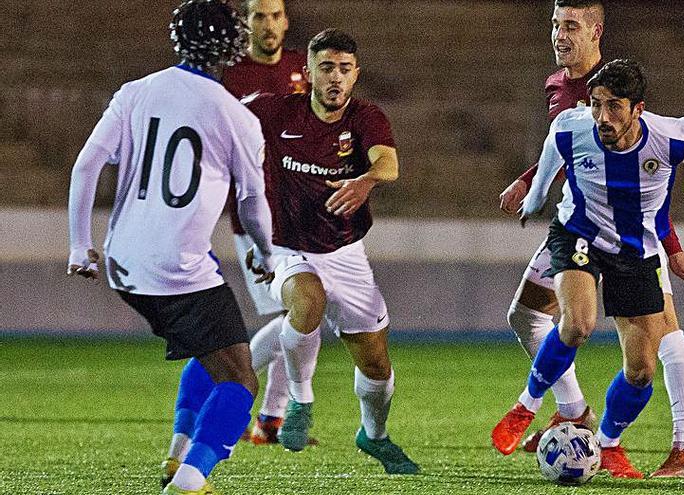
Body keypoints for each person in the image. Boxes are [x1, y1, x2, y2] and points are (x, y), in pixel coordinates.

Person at [66, 1, 276, 493]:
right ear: (232, 45)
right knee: (241, 381)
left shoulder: (136, 92)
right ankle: (189, 478)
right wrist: (266, 253)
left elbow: (86, 165)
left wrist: (80, 245)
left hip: (123, 264)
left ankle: (176, 455)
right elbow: (251, 201)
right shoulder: (235, 116)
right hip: (177, 269)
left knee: (208, 350)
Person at [493, 0, 684, 478]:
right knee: (547, 316)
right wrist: (531, 187)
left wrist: (670, 247)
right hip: (581, 224)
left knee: (657, 348)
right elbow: (560, 146)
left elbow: (661, 173)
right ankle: (563, 409)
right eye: (554, 24)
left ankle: (673, 444)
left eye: (570, 25)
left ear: (596, 32)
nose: (559, 35)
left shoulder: (650, 122)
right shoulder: (565, 100)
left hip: (635, 241)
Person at [242, 28, 420, 475]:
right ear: (309, 73)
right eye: (326, 68)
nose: (336, 78)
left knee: (376, 362)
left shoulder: (365, 117)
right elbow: (221, 120)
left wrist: (365, 180)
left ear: (355, 74)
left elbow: (389, 162)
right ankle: (299, 403)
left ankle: (373, 436)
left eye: (344, 69)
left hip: (344, 251)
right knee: (307, 301)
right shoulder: (275, 110)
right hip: (286, 246)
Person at [221, 0, 310, 446]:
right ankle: (225, 388)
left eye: (275, 15)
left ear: (286, 20)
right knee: (298, 311)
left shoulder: (302, 69)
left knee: (298, 313)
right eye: (259, 16)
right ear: (246, 22)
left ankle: (268, 421)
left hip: (299, 212)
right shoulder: (230, 76)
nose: (269, 24)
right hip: (254, 215)